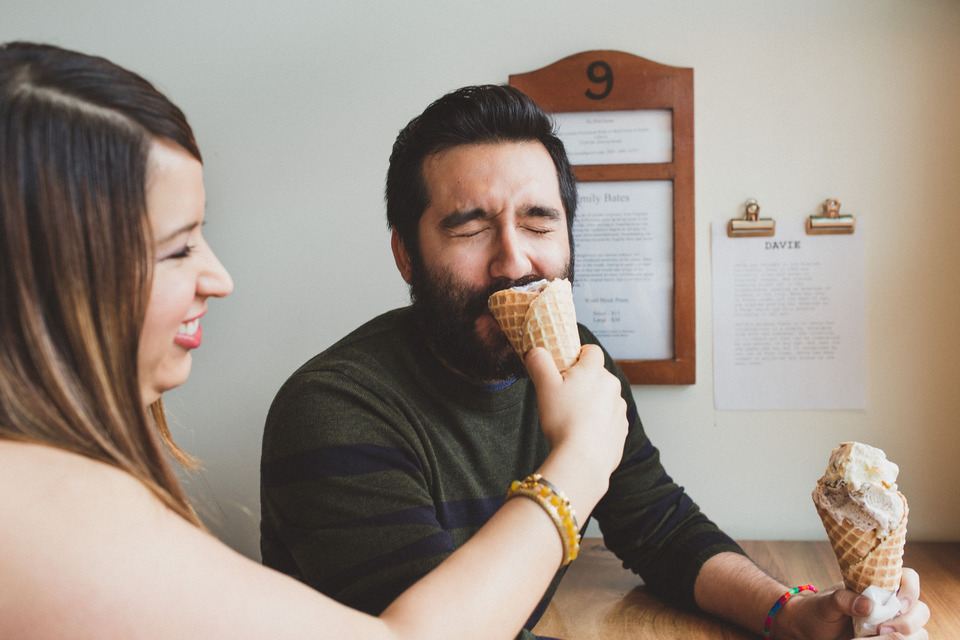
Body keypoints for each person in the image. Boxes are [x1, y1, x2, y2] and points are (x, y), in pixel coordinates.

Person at [0, 42, 630, 640]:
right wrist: (576, 466)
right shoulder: (45, 508)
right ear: (50, 275)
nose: (218, 278)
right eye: (178, 246)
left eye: (539, 222)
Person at [260, 84, 930, 640]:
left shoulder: (581, 358)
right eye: (468, 226)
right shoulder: (332, 411)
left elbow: (659, 525)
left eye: (539, 221)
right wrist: (576, 458)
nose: (514, 260)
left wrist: (789, 611)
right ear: (407, 254)